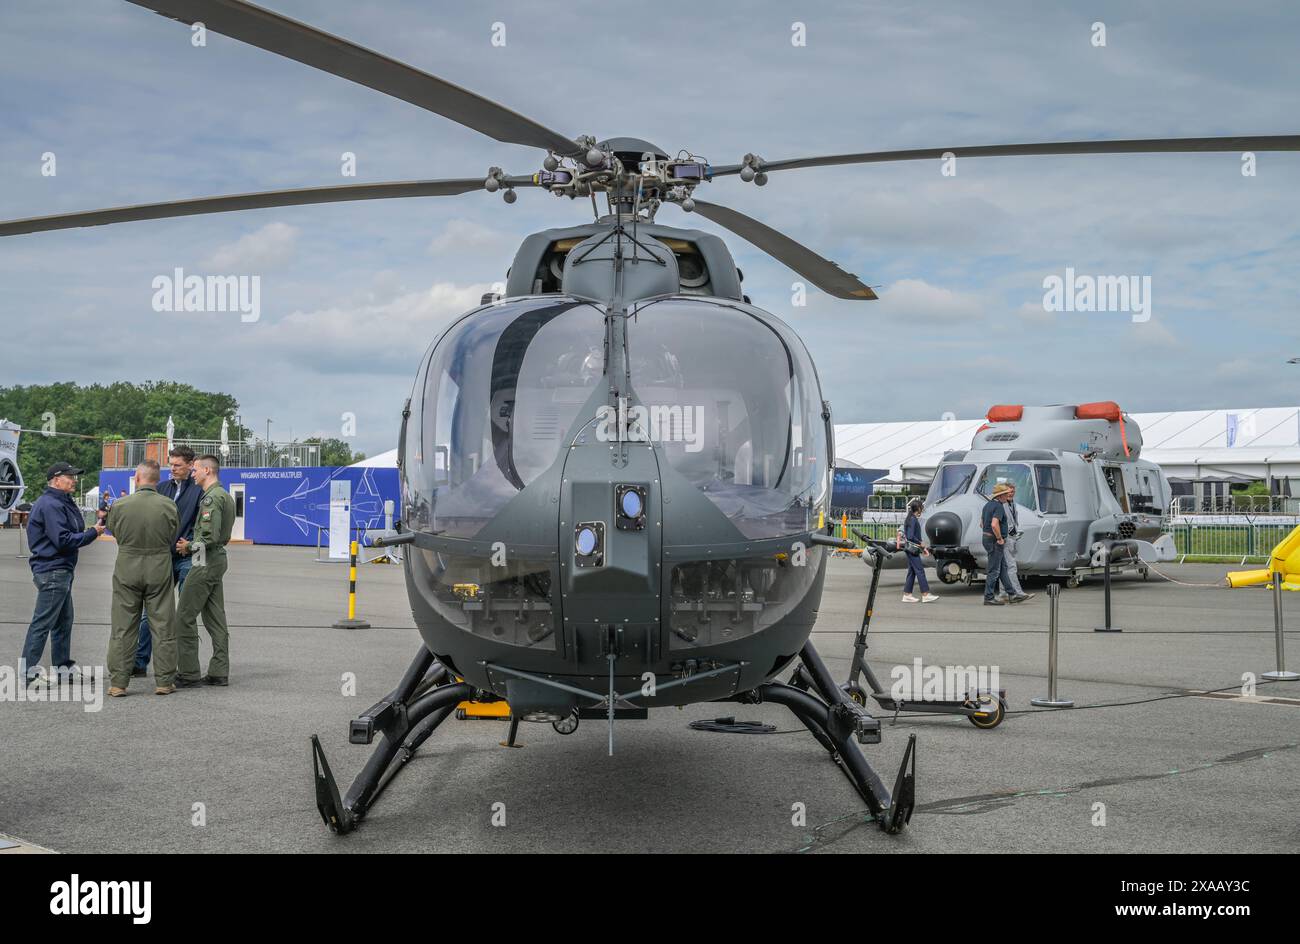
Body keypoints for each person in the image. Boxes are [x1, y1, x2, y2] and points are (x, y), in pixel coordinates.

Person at [20, 462, 105, 688]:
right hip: (53, 570)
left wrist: (88, 531)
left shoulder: (59, 501)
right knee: (43, 622)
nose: (74, 480)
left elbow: (71, 531)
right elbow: (64, 539)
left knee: (63, 622)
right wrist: (92, 533)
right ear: (56, 480)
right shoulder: (51, 504)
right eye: (70, 476)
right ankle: (28, 672)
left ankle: (63, 669)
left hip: (59, 570)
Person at [105, 460, 179, 697]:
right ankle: (164, 681)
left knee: (123, 625)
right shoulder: (168, 505)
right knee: (162, 623)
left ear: (137, 478)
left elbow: (114, 530)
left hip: (128, 565)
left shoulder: (120, 504)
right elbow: (172, 533)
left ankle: (118, 682)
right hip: (158, 565)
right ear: (157, 480)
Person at [133, 446, 201, 677]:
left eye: (177, 465)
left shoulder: (200, 490)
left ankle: (184, 667)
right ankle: (139, 662)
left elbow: (203, 524)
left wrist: (191, 543)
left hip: (187, 558)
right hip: (161, 558)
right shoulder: (161, 488)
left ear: (191, 465)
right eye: (170, 464)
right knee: (149, 613)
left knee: (183, 613)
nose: (172, 469)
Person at [174, 455, 236, 687]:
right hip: (216, 559)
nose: (193, 473)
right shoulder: (225, 496)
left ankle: (188, 673)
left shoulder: (210, 499)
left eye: (196, 470)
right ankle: (219, 670)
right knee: (215, 618)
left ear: (208, 471)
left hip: (204, 560)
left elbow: (208, 537)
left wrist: (187, 546)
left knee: (183, 616)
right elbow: (224, 536)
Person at [981, 482, 1026, 605]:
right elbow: (994, 524)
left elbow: (982, 523)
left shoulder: (987, 506)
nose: (1008, 496)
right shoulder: (999, 507)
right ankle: (989, 597)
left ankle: (1012, 594)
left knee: (1003, 569)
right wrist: (1000, 538)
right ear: (1000, 496)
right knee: (994, 570)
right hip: (995, 541)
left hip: (987, 538)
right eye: (1006, 494)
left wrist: (989, 534)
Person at [999, 484, 1036, 602]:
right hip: (1005, 538)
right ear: (1004, 492)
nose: (1011, 493)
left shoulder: (1013, 504)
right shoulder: (1001, 505)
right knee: (1011, 566)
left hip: (1012, 538)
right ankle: (1017, 592)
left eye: (1013, 491)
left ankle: (1003, 594)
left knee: (1005, 566)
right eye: (1009, 492)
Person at [898, 498, 938, 603]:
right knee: (920, 571)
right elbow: (911, 536)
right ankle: (925, 594)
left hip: (911, 549)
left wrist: (922, 548)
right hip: (912, 549)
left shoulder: (910, 518)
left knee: (912, 572)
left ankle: (907, 594)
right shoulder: (913, 519)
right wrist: (921, 543)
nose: (922, 510)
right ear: (919, 508)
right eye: (922, 508)